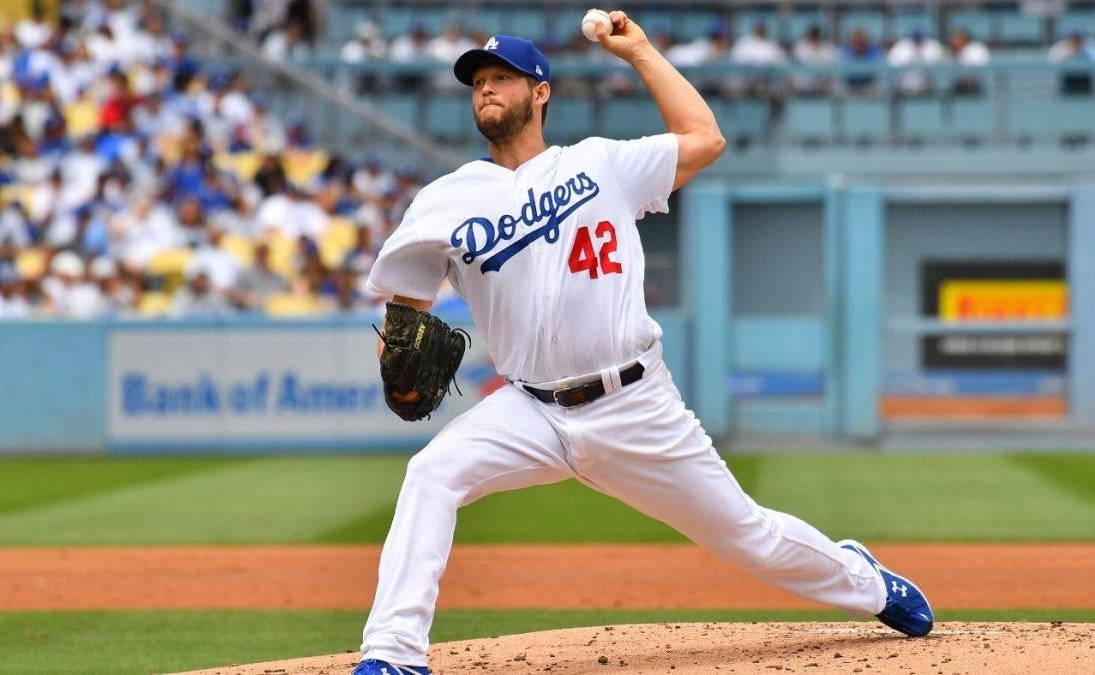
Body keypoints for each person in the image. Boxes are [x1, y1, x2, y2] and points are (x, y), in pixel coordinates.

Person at [352, 14, 933, 675]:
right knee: (432, 471)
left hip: (633, 403)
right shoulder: (445, 199)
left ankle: (868, 582)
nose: (486, 89)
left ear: (540, 92)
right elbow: (407, 307)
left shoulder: (600, 164)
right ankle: (393, 654)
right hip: (531, 410)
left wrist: (641, 52)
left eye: (502, 78)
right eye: (478, 81)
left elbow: (705, 139)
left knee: (749, 536)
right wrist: (396, 362)